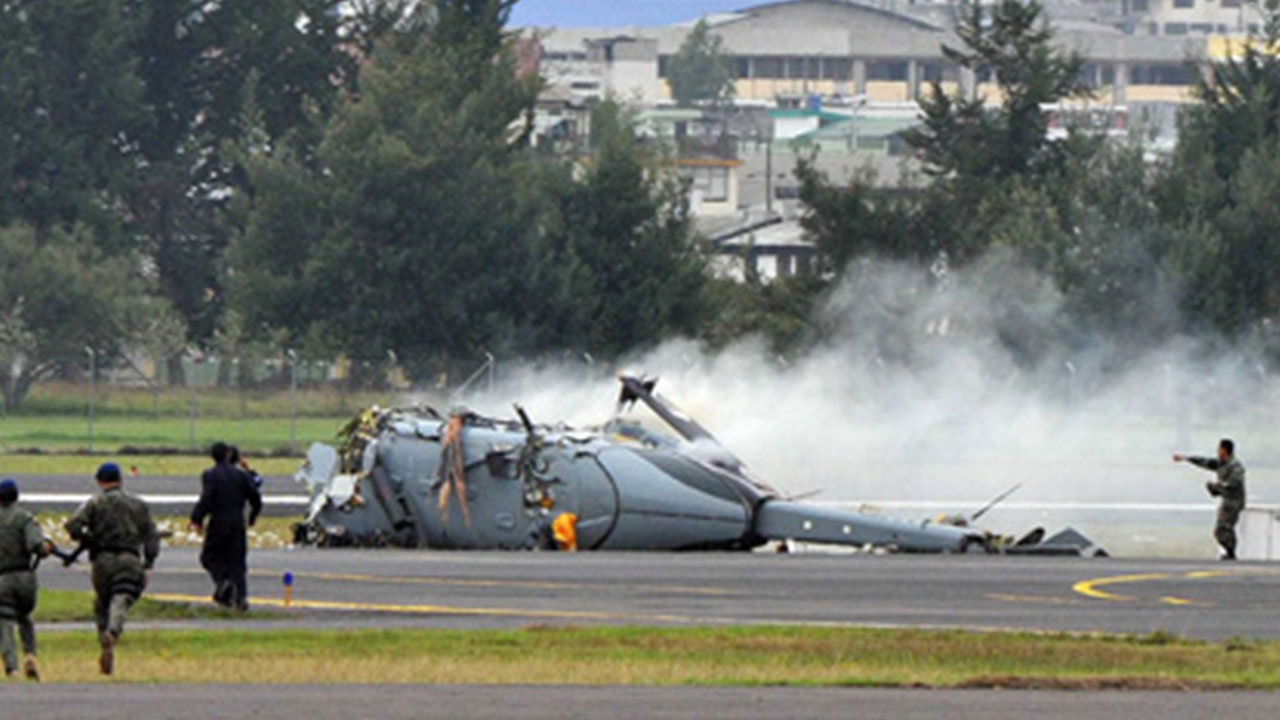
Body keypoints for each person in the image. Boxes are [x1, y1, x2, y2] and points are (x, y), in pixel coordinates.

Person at [65, 463, 161, 676]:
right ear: (121, 480)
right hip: (129, 557)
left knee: (101, 602)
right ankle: (113, 631)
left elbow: (72, 525)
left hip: (102, 559)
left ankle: (103, 641)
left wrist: (88, 539)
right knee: (123, 596)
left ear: (100, 481)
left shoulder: (95, 503)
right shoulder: (138, 505)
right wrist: (149, 563)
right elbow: (151, 536)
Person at [189, 442, 262, 610]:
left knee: (209, 557)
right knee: (237, 561)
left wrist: (197, 518)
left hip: (218, 522)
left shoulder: (210, 475)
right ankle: (241, 597)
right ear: (229, 454)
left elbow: (207, 499)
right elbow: (256, 498)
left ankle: (223, 582)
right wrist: (252, 516)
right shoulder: (242, 475)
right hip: (237, 522)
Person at [0, 479, 51, 681]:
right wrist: (45, 548)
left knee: (4, 622)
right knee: (25, 616)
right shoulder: (25, 518)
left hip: (3, 578)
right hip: (26, 577)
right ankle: (30, 654)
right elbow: (36, 545)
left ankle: (12, 667)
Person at [1174, 438, 1247, 560]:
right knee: (1222, 529)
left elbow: (1236, 482)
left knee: (1223, 528)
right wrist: (1186, 458)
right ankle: (1230, 551)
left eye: (1220, 449)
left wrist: (1219, 486)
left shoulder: (1235, 466)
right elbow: (1204, 461)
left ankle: (1231, 552)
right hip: (1227, 500)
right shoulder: (1221, 463)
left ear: (1225, 450)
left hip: (1234, 501)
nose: (1218, 451)